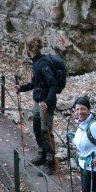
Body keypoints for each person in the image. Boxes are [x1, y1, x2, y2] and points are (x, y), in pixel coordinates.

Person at [16, 37, 59, 174]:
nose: (25, 50)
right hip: (38, 101)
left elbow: (53, 85)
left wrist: (47, 102)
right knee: (36, 127)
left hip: (45, 103)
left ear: (31, 49)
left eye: (26, 48)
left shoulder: (44, 64)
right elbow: (35, 83)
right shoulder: (36, 63)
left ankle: (50, 162)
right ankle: (41, 154)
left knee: (45, 131)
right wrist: (21, 88)